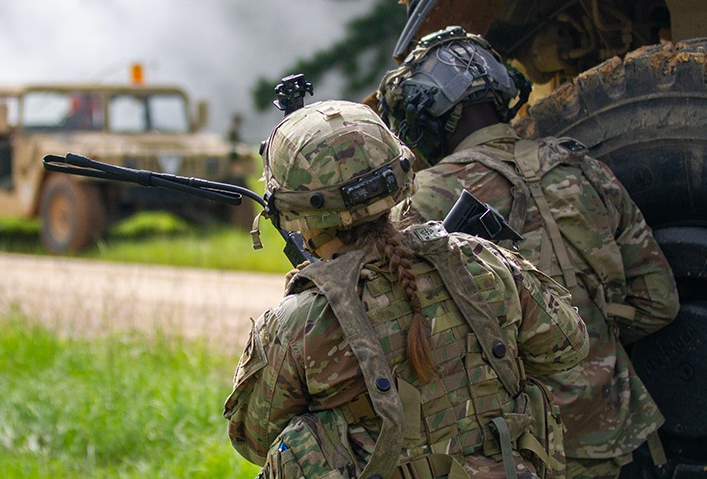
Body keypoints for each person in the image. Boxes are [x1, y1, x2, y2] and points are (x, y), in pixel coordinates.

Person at [225, 99, 589, 479]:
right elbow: (569, 346)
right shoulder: (483, 260)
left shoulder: (298, 322)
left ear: (290, 212)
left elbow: (252, 438)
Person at [377, 27, 680, 479]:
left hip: (508, 446)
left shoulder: (425, 197)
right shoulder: (583, 171)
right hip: (607, 432)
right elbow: (658, 302)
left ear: (428, 115)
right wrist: (587, 337)